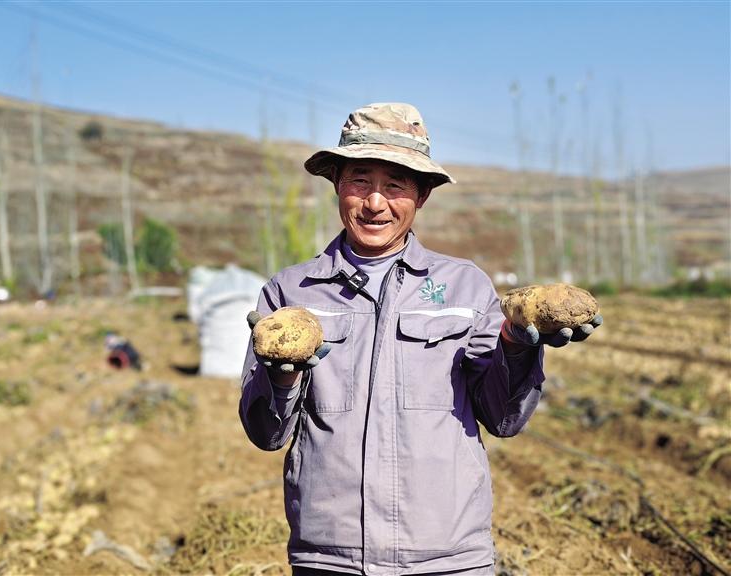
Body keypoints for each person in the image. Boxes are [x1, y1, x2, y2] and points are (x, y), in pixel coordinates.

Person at [239, 103, 601, 575]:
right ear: (336, 185)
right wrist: (282, 379)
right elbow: (266, 435)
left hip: (448, 558)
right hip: (331, 557)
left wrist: (516, 346)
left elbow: (502, 418)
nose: (375, 203)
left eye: (395, 185)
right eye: (360, 181)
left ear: (422, 196)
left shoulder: (464, 287)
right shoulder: (291, 294)